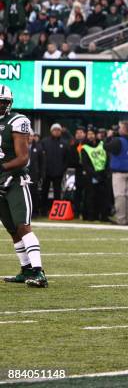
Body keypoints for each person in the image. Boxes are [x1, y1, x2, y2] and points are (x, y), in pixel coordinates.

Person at [0, 86, 47, 288]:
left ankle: (38, 272)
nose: (1, 105)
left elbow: (23, 158)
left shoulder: (17, 121)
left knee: (23, 226)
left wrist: (2, 167)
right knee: (12, 229)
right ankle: (25, 269)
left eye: (3, 101)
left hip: (15, 180)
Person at [104, 122, 128, 226]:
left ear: (124, 129)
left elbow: (106, 147)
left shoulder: (119, 141)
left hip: (119, 171)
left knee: (119, 196)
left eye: (120, 128)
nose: (118, 129)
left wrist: (109, 137)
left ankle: (121, 219)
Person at [81, 127, 110, 222]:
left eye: (92, 134)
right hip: (91, 176)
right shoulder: (84, 147)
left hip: (103, 174)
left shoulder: (102, 144)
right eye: (88, 134)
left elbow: (107, 158)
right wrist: (94, 174)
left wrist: (104, 172)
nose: (90, 136)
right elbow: (85, 164)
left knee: (104, 197)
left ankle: (104, 216)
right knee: (91, 197)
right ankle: (91, 216)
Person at [40, 123, 67, 214]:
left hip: (58, 173)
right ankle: (43, 211)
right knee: (44, 191)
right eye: (55, 130)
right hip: (47, 172)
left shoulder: (64, 143)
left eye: (58, 130)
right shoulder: (44, 141)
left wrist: (62, 169)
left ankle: (57, 212)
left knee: (57, 192)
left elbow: (66, 159)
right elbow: (41, 157)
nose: (56, 131)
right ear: (51, 131)